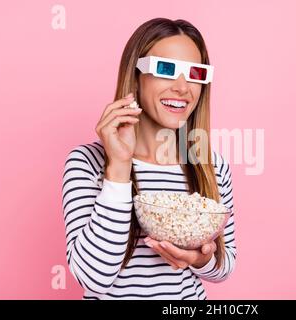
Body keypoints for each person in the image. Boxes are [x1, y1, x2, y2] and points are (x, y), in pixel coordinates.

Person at [61, 17, 236, 299]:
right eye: (166, 69)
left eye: (195, 73)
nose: (182, 87)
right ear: (136, 76)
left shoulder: (211, 166)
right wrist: (118, 167)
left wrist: (199, 259)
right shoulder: (87, 163)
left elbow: (225, 265)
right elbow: (93, 278)